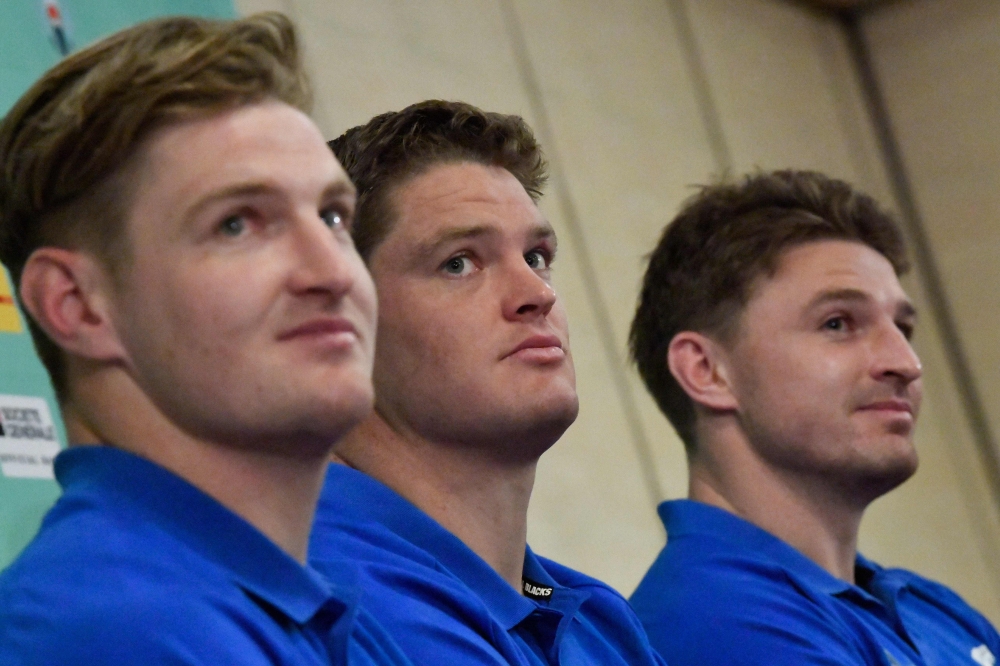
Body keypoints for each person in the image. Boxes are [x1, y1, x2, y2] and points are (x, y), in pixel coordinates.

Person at [0, 13, 410, 665]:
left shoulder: (318, 620)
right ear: (75, 305)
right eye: (238, 225)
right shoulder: (109, 630)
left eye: (333, 216)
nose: (333, 271)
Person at [308, 100, 666, 666]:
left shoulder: (593, 614)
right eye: (459, 262)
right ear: (339, 323)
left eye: (537, 255)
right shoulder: (328, 599)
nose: (538, 293)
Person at [628, 170, 1000, 666]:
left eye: (903, 328)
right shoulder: (717, 622)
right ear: (707, 371)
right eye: (838, 323)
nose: (906, 363)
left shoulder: (936, 610)